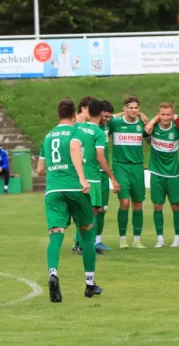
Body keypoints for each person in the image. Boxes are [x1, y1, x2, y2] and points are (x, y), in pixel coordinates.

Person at [36, 98, 102, 303]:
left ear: (57, 115)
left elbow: (39, 169)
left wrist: (56, 168)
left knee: (56, 235)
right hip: (75, 188)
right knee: (88, 233)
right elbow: (74, 148)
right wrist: (82, 177)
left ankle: (53, 273)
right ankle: (90, 284)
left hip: (53, 190)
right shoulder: (76, 132)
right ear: (74, 115)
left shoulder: (48, 137)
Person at [73, 100, 121, 255]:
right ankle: (86, 245)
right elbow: (100, 157)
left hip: (79, 174)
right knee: (93, 211)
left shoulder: (79, 127)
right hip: (93, 176)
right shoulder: (98, 132)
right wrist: (112, 177)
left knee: (87, 211)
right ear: (101, 113)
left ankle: (80, 244)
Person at [108, 96, 147, 249]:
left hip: (137, 167)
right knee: (124, 202)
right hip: (120, 166)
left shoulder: (141, 123)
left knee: (138, 204)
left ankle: (137, 239)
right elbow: (106, 119)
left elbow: (156, 125)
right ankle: (122, 238)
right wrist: (118, 114)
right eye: (130, 107)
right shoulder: (115, 123)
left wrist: (144, 116)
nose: (134, 110)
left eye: (136, 107)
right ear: (124, 109)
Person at [144, 103, 179, 248]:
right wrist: (153, 120)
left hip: (173, 174)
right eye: (162, 114)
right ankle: (160, 239)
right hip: (156, 173)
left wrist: (173, 117)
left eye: (169, 114)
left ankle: (177, 238)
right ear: (158, 114)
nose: (166, 117)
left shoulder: (177, 128)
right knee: (157, 206)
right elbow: (143, 127)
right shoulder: (152, 127)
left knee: (176, 206)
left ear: (172, 115)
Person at [95, 100, 115, 251]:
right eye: (106, 116)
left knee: (103, 207)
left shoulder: (107, 124)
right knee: (92, 207)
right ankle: (82, 238)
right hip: (93, 171)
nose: (108, 119)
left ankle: (97, 239)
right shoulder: (92, 127)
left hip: (103, 173)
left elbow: (121, 115)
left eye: (110, 117)